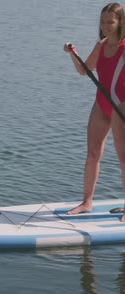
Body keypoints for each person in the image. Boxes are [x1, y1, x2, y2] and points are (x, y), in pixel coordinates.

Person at [64, 3, 125, 222]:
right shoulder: (101, 46)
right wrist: (74, 54)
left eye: (111, 21)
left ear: (120, 22)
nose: (106, 26)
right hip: (102, 103)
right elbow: (84, 70)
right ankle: (87, 202)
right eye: (103, 22)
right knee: (92, 154)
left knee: (123, 159)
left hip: (121, 104)